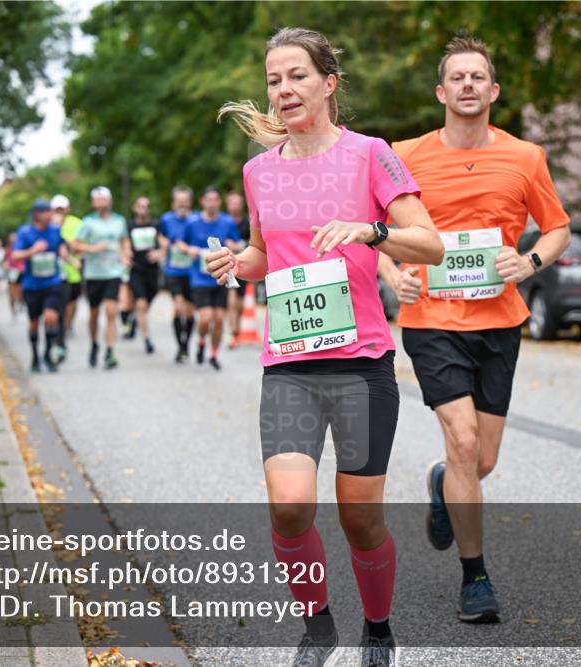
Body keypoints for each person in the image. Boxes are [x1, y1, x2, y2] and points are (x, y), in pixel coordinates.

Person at [213, 27, 443, 667]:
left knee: (358, 517)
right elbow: (265, 253)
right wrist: (238, 262)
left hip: (362, 365)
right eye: (273, 79)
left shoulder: (371, 154)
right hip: (289, 365)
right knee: (289, 508)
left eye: (297, 76)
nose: (283, 90)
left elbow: (429, 243)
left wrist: (372, 231)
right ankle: (318, 626)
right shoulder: (257, 170)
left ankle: (378, 629)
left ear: (328, 83)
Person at [379, 36, 571, 624]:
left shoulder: (525, 157)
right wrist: (393, 275)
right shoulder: (401, 155)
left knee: (478, 461)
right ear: (441, 91)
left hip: (499, 322)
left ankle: (443, 484)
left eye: (477, 77)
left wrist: (530, 262)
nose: (467, 85)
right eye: (456, 77)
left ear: (493, 91)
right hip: (432, 320)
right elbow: (372, 227)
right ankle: (476, 577)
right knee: (461, 439)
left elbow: (558, 228)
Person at [176, 186, 242, 370]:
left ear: (219, 202)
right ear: (202, 201)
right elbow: (180, 243)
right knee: (206, 318)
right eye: (208, 199)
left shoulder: (227, 223)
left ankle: (213, 354)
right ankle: (201, 342)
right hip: (199, 278)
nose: (212, 203)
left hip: (221, 276)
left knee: (219, 318)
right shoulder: (193, 223)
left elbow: (239, 244)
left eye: (215, 199)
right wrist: (189, 249)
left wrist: (233, 245)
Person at [74, 186, 130, 369]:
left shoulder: (119, 220)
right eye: (96, 199)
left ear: (109, 201)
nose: (100, 202)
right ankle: (94, 344)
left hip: (113, 272)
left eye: (103, 199)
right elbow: (75, 246)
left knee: (111, 312)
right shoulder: (88, 222)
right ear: (93, 203)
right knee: (94, 314)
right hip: (93, 273)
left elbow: (124, 240)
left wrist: (126, 254)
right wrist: (93, 248)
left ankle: (109, 351)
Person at [12, 199, 68, 373]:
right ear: (37, 214)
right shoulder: (25, 232)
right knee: (34, 322)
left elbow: (62, 247)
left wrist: (66, 253)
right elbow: (15, 255)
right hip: (32, 284)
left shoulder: (55, 231)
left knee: (51, 317)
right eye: (46, 212)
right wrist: (32, 251)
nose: (50, 215)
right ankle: (35, 357)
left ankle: (48, 354)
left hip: (52, 282)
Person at [158, 185, 197, 363]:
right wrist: (164, 243)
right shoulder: (166, 219)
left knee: (189, 312)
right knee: (177, 306)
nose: (182, 204)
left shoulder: (196, 220)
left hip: (192, 271)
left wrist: (190, 249)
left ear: (190, 202)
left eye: (185, 201)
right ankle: (180, 347)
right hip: (173, 270)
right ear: (174, 202)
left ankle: (186, 344)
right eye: (179, 201)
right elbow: (160, 235)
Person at [127, 195, 163, 354]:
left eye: (146, 206)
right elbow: (124, 243)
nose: (143, 209)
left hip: (152, 271)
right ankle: (147, 339)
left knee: (147, 302)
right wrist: (126, 255)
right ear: (134, 208)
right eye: (139, 206)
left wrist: (159, 253)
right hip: (136, 270)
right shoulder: (129, 226)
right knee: (141, 303)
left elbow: (165, 244)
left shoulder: (155, 225)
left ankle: (135, 318)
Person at [51, 194, 84, 362]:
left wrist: (73, 250)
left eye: (62, 210)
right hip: (53, 276)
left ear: (67, 209)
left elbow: (80, 245)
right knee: (57, 309)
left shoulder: (76, 223)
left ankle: (66, 327)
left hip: (72, 273)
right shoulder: (48, 225)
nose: (59, 213)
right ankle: (60, 336)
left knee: (71, 303)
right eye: (56, 210)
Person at [225, 190, 252, 347]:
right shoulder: (223, 222)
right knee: (231, 298)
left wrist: (239, 245)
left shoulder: (247, 223)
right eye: (232, 203)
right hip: (227, 265)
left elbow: (254, 242)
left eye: (237, 203)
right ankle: (232, 331)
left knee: (240, 303)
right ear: (227, 205)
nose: (234, 206)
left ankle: (236, 329)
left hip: (243, 265)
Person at [4, 231, 25, 317]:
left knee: (21, 290)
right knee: (11, 292)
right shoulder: (8, 249)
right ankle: (13, 309)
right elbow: (5, 261)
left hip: (20, 271)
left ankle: (20, 302)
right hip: (12, 272)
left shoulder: (21, 248)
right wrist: (6, 267)